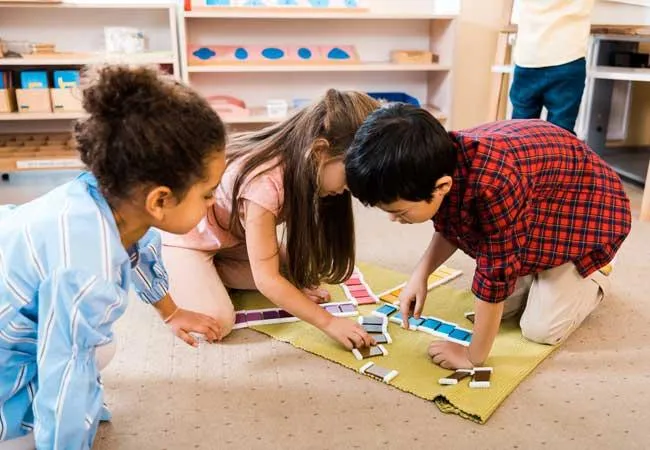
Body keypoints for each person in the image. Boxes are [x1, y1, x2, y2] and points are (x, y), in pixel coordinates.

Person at [0, 65, 226, 449]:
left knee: (100, 343)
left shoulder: (108, 197)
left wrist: (171, 311)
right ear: (159, 200)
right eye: (208, 193)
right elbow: (66, 373)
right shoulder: (87, 271)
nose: (213, 202)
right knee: (65, 388)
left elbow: (140, 254)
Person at [344, 103, 632, 369]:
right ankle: (542, 274)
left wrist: (473, 354)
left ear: (442, 186)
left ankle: (597, 272)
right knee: (500, 310)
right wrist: (420, 275)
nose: (393, 220)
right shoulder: (439, 162)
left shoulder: (496, 186)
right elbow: (450, 225)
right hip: (540, 204)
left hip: (588, 216)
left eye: (400, 212)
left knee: (540, 330)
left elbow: (495, 274)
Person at [161, 89, 380, 349]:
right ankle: (166, 266)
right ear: (320, 150)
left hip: (230, 237)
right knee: (218, 320)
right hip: (186, 239)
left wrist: (288, 285)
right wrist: (329, 322)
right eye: (348, 178)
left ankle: (211, 270)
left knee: (297, 274)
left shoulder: (306, 165)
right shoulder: (264, 183)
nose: (348, 189)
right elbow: (267, 280)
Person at [510, 0, 595, 133]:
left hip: (528, 58)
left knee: (520, 131)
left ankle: (522, 152)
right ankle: (557, 153)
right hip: (567, 57)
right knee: (561, 130)